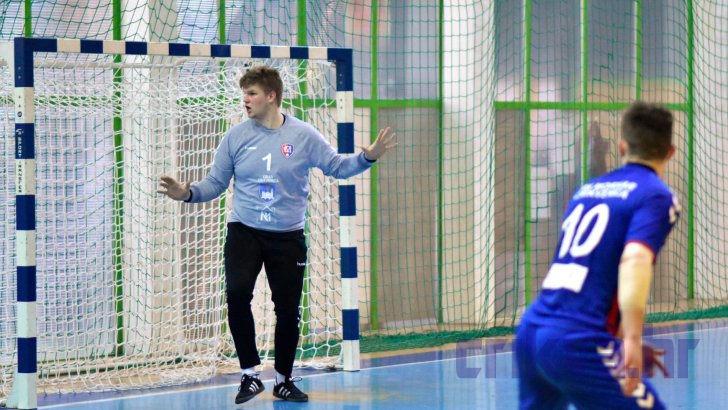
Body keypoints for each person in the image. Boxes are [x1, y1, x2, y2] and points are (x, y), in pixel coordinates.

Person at [157, 65, 396, 404]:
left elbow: (338, 167)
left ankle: (283, 380)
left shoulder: (304, 135)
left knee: (287, 310)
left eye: (252, 93)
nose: (245, 100)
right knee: (237, 294)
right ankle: (249, 374)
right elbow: (215, 184)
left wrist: (367, 158)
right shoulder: (235, 137)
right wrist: (187, 193)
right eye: (244, 94)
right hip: (245, 232)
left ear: (271, 96)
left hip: (287, 236)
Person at [515, 102, 678, 410]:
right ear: (670, 152)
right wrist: (631, 340)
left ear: (621, 147)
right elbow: (635, 259)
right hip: (578, 340)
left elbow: (590, 273)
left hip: (531, 331)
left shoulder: (586, 191)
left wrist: (618, 340)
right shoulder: (657, 194)